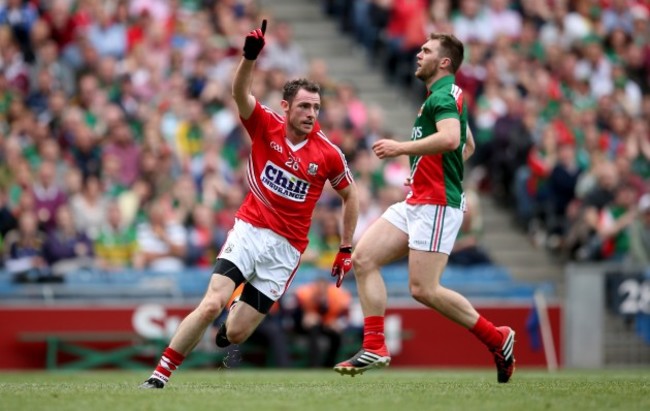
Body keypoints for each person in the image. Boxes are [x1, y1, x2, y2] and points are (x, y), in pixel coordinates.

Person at [140, 20, 358, 389]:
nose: (311, 114)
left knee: (237, 333)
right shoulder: (264, 125)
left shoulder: (329, 154)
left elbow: (351, 196)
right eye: (304, 106)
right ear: (286, 106)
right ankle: (160, 373)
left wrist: (346, 246)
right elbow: (240, 92)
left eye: (316, 108)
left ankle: (227, 333)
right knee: (211, 303)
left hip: (286, 250)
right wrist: (248, 57)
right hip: (250, 230)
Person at [333, 33, 516, 383]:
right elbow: (467, 144)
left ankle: (498, 338)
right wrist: (426, 171)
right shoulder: (444, 96)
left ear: (444, 62)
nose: (419, 54)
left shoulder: (444, 96)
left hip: (437, 204)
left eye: (427, 51)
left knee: (424, 289)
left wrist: (404, 149)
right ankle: (374, 345)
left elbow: (450, 140)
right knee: (363, 258)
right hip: (420, 197)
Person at [293, 277, 352, 368]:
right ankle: (314, 365)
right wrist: (304, 317)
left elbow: (345, 316)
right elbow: (295, 315)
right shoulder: (305, 295)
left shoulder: (336, 297)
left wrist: (338, 323)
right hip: (310, 327)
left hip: (328, 324)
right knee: (314, 330)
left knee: (337, 336)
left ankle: (329, 365)